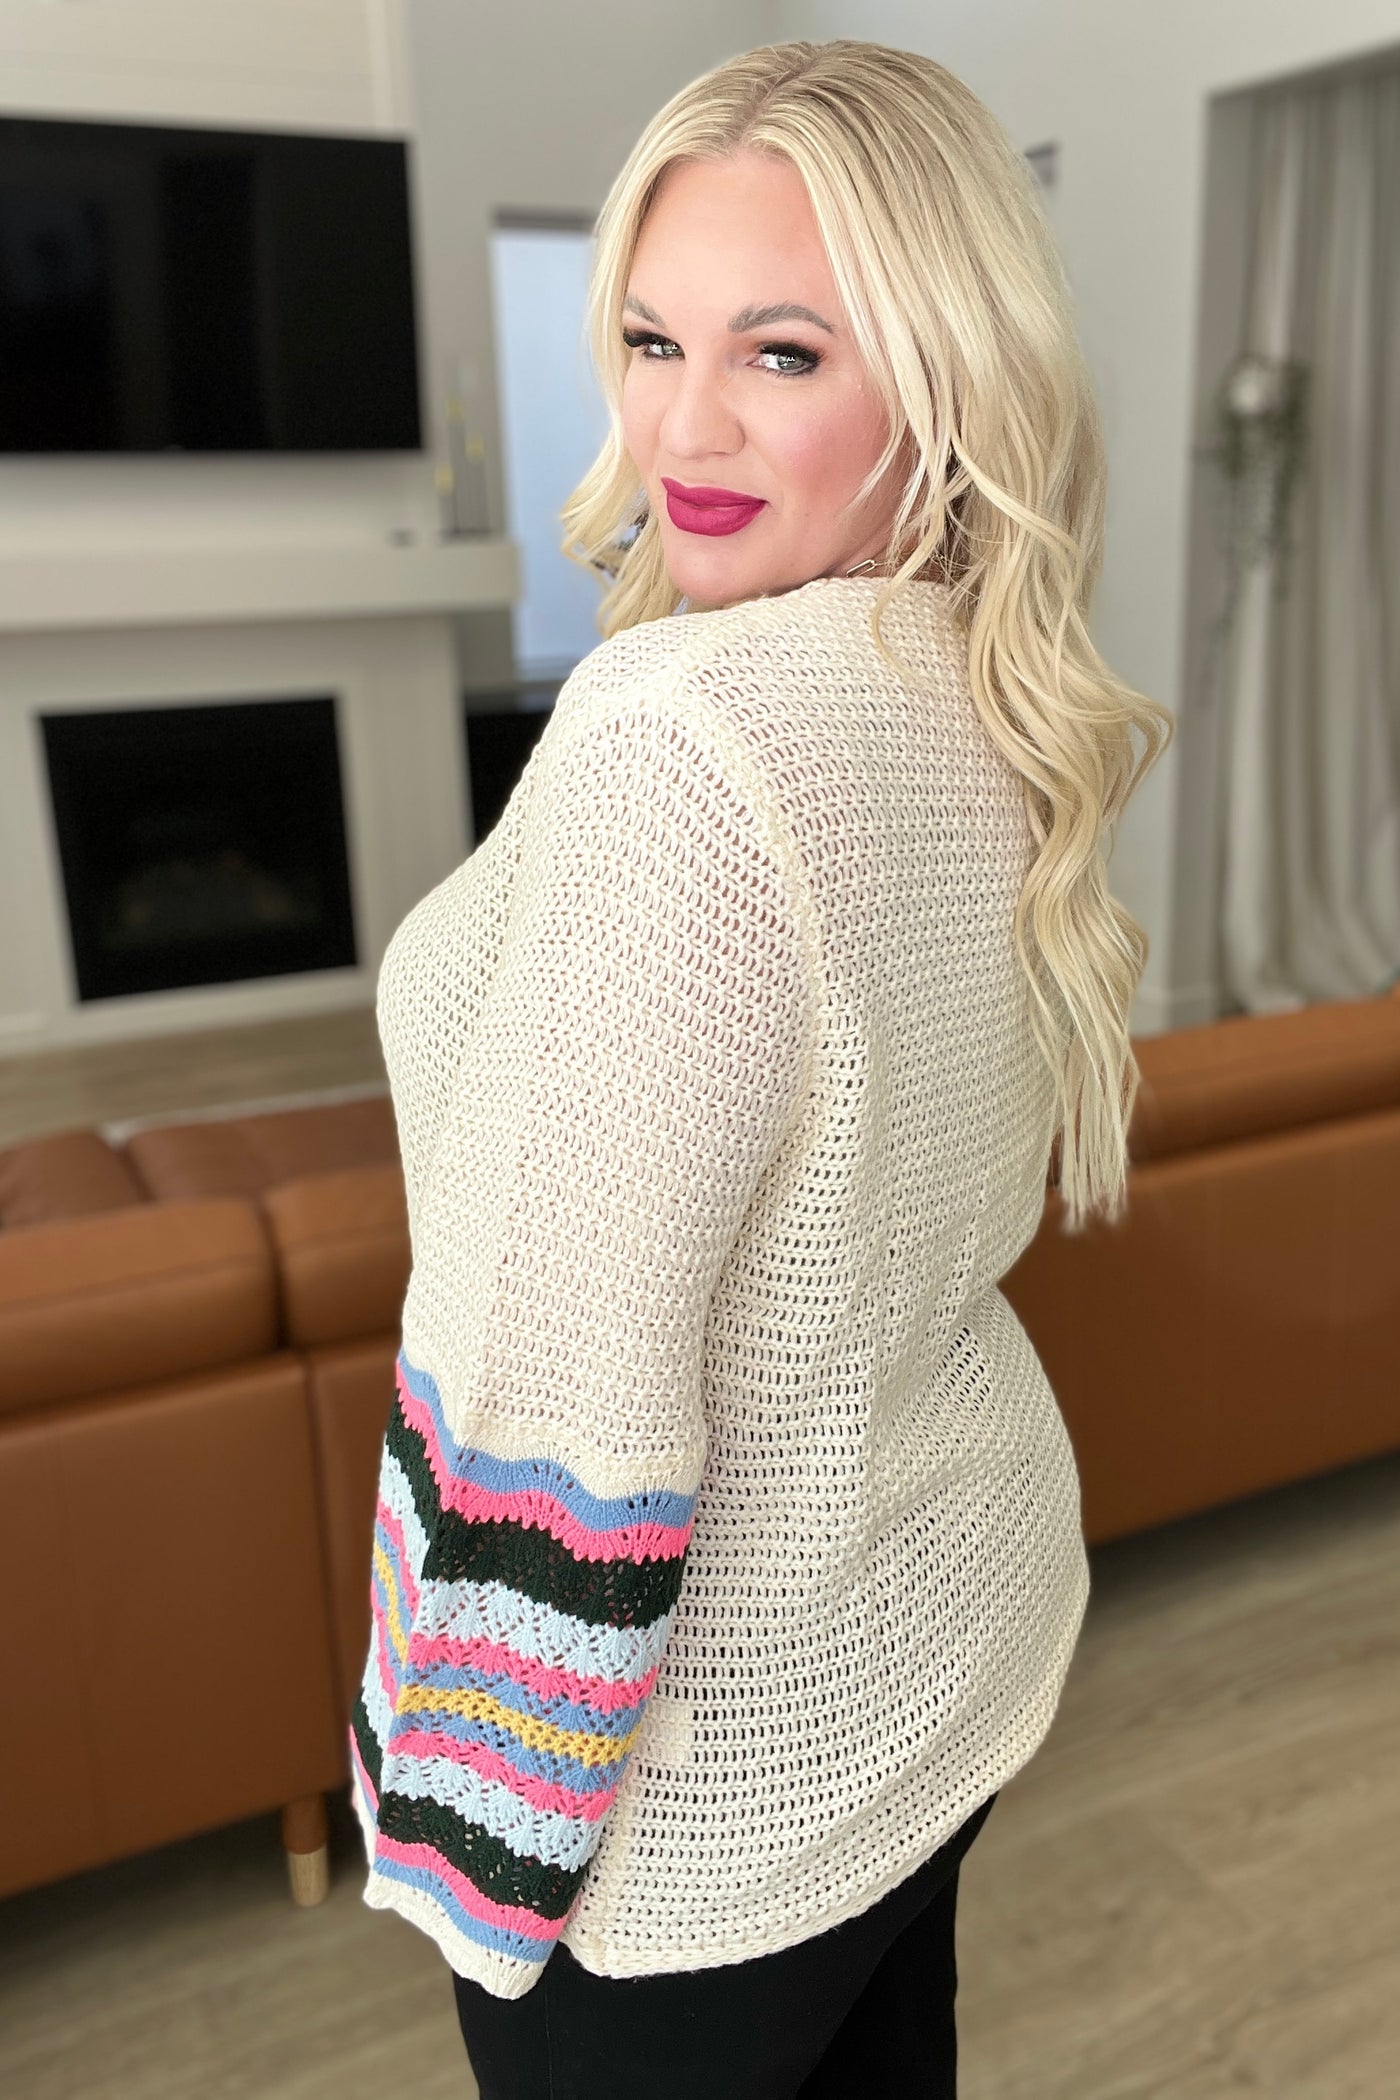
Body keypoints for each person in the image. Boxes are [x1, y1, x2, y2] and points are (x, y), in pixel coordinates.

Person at [349, 36, 1174, 2100]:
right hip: (927, 1656)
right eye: (651, 338)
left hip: (680, 1801)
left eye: (781, 353)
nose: (683, 425)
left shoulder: (683, 746)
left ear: (948, 378)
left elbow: (572, 1382)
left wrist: (466, 1849)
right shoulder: (981, 678)